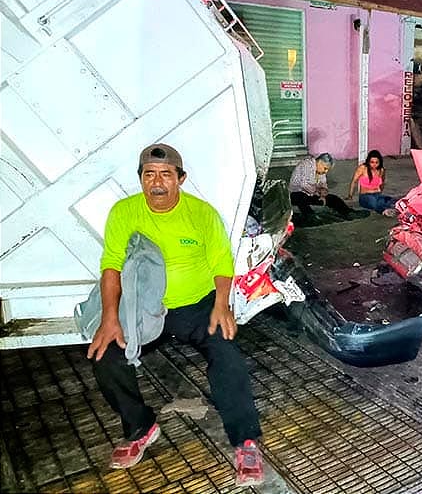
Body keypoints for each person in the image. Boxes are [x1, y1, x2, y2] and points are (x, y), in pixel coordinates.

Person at [87, 144, 264, 487]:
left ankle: (245, 441)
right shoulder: (124, 212)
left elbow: (221, 262)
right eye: (149, 175)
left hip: (197, 305)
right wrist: (110, 317)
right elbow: (110, 264)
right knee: (106, 356)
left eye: (166, 175)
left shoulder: (202, 213)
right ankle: (140, 427)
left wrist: (221, 304)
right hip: (145, 307)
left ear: (180, 178)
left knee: (228, 358)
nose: (157, 183)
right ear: (140, 179)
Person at [288, 152, 367, 223]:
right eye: (325, 168)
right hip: (296, 195)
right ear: (319, 162)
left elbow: (323, 184)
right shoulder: (306, 165)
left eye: (327, 170)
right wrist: (318, 191)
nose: (326, 171)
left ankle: (349, 212)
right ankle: (311, 216)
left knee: (333, 198)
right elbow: (304, 185)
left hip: (311, 195)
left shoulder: (320, 171)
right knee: (300, 197)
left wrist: (323, 191)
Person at [346, 149, 397, 217]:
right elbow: (354, 181)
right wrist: (350, 195)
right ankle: (384, 211)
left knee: (391, 201)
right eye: (372, 162)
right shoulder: (363, 168)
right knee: (374, 203)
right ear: (368, 161)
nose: (374, 165)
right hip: (365, 196)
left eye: (376, 162)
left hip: (377, 195)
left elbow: (382, 183)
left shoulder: (381, 170)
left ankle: (400, 208)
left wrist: (379, 192)